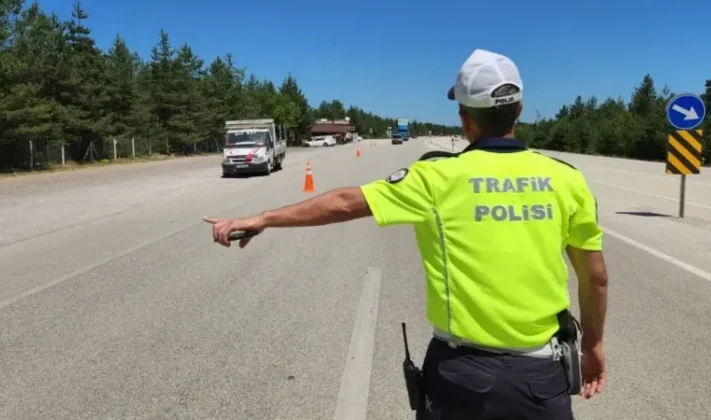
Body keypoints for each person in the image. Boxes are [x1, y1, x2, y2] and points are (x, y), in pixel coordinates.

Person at [204, 48, 608, 420]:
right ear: (519, 109)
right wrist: (592, 346)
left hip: (461, 376)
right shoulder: (565, 179)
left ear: (465, 118)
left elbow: (345, 202)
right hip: (541, 379)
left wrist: (264, 218)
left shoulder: (435, 177)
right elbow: (595, 277)